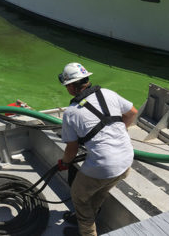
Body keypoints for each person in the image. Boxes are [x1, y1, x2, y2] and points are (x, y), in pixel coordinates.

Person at [57, 62, 138, 236]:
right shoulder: (108, 93)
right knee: (99, 193)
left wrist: (64, 163)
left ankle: (86, 230)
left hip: (104, 165)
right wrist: (118, 132)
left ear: (71, 86)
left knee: (78, 196)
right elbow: (132, 112)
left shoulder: (71, 113)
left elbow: (71, 149)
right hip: (126, 161)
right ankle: (89, 217)